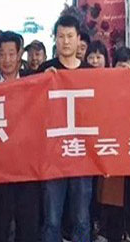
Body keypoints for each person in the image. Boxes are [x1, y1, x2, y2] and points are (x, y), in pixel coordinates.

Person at [38, 15, 92, 242]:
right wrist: (41, 83)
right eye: (61, 36)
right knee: (51, 219)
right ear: (55, 39)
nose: (66, 41)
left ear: (79, 39)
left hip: (83, 155)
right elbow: (33, 110)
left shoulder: (91, 72)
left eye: (70, 36)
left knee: (82, 218)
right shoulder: (45, 70)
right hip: (53, 156)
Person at [0, 31, 40, 242]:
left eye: (11, 54)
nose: (7, 59)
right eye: (2, 54)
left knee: (28, 225)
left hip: (28, 167)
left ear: (19, 55)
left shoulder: (33, 83)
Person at [98, 47, 130, 242]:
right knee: (113, 213)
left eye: (128, 66)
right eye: (120, 66)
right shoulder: (106, 93)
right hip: (113, 162)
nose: (124, 71)